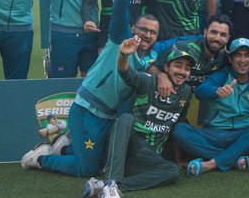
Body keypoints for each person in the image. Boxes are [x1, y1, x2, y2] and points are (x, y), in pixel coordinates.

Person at [20, 0, 193, 178]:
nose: (148, 35)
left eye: (153, 32)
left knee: (103, 160)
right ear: (134, 30)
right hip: (88, 109)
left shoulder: (151, 56)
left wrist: (161, 74)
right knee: (88, 169)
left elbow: (178, 44)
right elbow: (120, 8)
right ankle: (41, 159)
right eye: (143, 29)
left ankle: (65, 147)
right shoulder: (120, 38)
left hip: (109, 116)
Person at [82, 37, 194, 197]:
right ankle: (112, 180)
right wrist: (123, 55)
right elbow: (125, 71)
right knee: (125, 119)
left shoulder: (186, 92)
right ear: (167, 67)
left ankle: (109, 187)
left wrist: (178, 158)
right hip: (128, 147)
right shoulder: (149, 82)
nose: (182, 72)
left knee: (173, 171)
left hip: (149, 157)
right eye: (178, 65)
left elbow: (176, 126)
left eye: (187, 68)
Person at [172, 38, 249, 176]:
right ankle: (233, 159)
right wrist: (216, 91)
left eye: (247, 55)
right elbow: (200, 92)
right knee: (178, 130)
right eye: (237, 55)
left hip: (240, 136)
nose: (242, 60)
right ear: (230, 58)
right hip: (213, 135)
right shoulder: (221, 76)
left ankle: (212, 163)